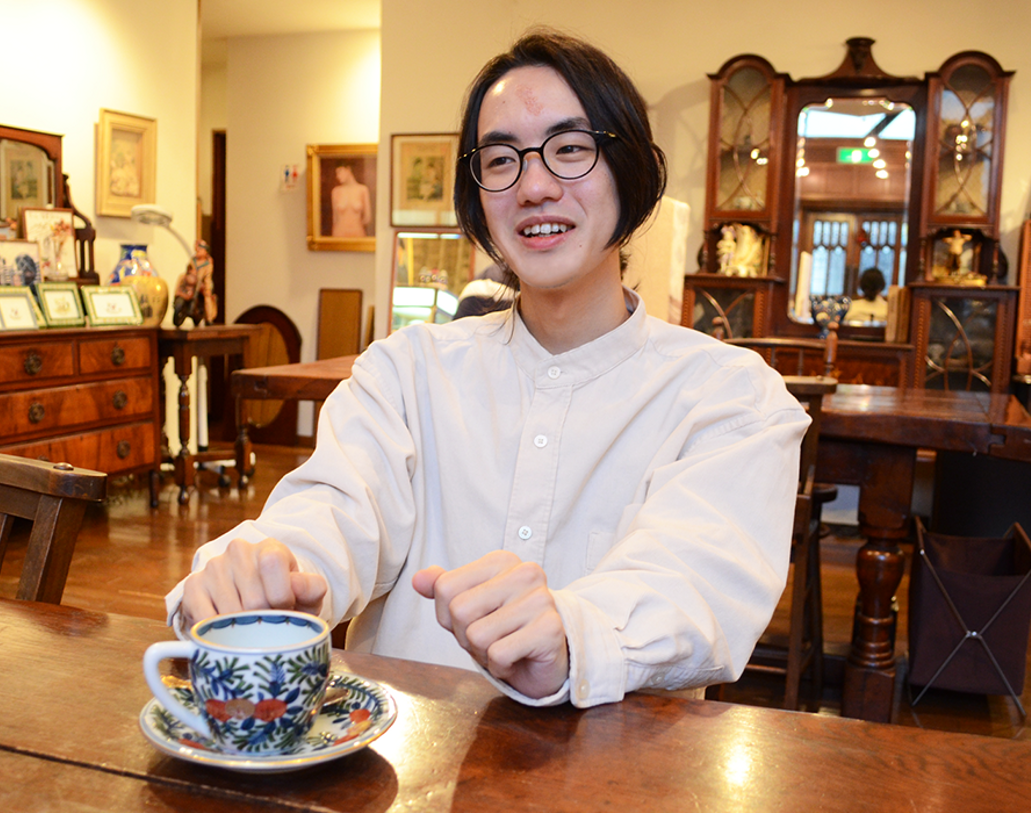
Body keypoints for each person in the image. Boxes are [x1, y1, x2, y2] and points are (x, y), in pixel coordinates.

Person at [166, 29, 807, 708]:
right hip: (398, 757)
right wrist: (267, 573)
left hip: (620, 763)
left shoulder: (729, 396)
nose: (534, 186)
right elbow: (333, 511)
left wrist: (572, 635)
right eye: (501, 159)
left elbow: (697, 585)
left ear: (632, 172)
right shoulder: (406, 372)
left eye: (570, 148)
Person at [330, 162, 372, 237]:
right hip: (339, 233)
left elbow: (367, 218)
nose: (338, 176)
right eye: (336, 173)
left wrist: (356, 224)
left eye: (340, 172)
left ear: (348, 169)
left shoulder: (362, 189)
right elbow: (335, 219)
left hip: (357, 233)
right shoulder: (336, 191)